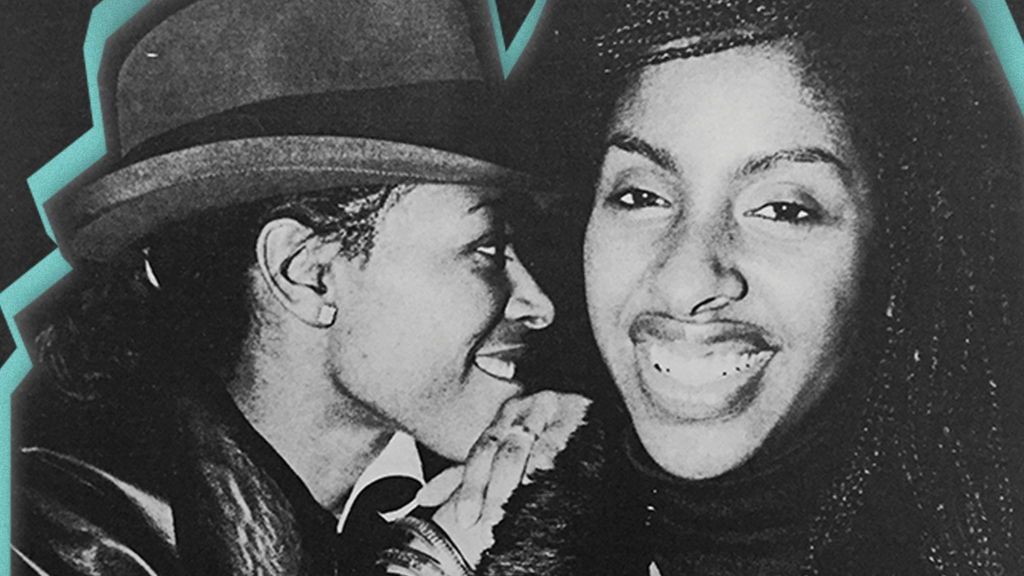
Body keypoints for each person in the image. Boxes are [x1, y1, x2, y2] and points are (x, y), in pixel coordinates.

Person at [383, 0, 1024, 574]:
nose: (687, 280)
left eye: (782, 209)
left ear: (896, 255)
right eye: (641, 196)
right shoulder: (494, 514)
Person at [11, 0, 588, 574]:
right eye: (487, 249)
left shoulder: (499, 495)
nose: (539, 304)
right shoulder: (52, 538)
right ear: (308, 274)